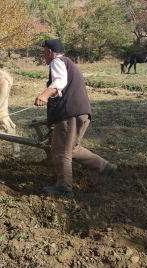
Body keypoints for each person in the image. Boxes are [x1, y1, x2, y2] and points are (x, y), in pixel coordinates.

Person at [34, 39, 117, 197]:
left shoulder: (57, 62)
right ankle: (104, 167)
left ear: (49, 52)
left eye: (44, 52)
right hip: (82, 113)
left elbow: (60, 82)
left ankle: (64, 189)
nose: (44, 56)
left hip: (70, 113)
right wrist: (53, 119)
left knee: (60, 150)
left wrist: (44, 95)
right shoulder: (71, 64)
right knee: (71, 148)